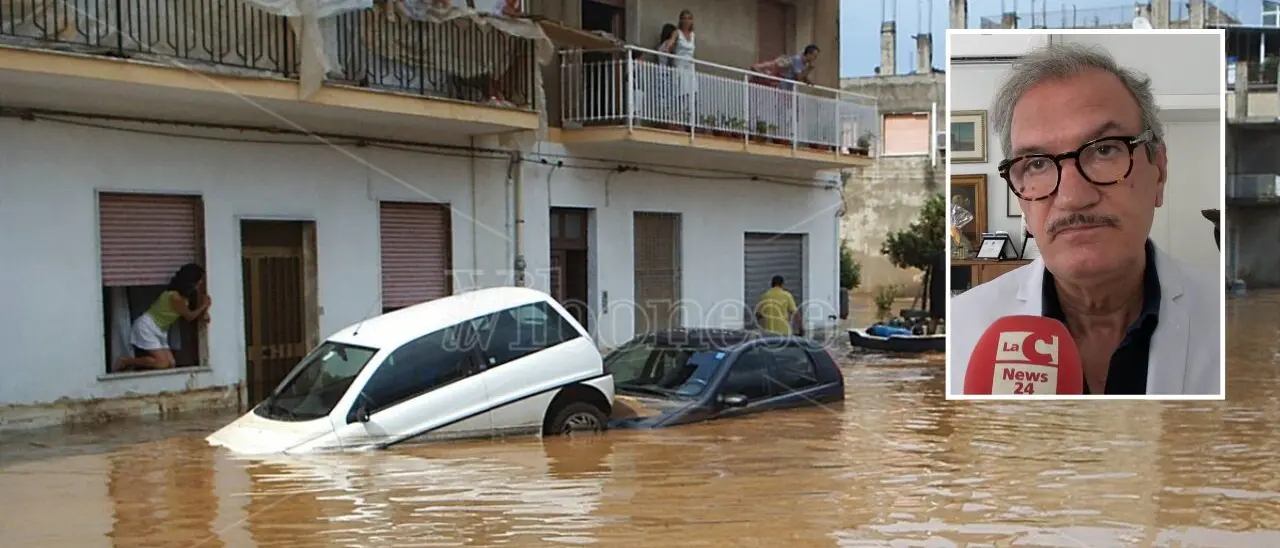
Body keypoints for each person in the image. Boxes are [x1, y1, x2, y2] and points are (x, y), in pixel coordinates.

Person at [948, 43, 1220, 396]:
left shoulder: (1232, 323)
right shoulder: (959, 332)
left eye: (1105, 150)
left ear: (1159, 172)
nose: (1073, 197)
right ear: (1020, 194)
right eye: (1037, 163)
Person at [114, 263, 212, 372]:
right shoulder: (175, 297)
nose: (201, 282)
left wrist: (204, 310)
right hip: (148, 326)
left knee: (171, 364)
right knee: (162, 363)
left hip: (160, 329)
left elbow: (194, 312)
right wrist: (204, 306)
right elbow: (189, 316)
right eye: (200, 280)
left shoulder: (184, 295)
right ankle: (127, 361)